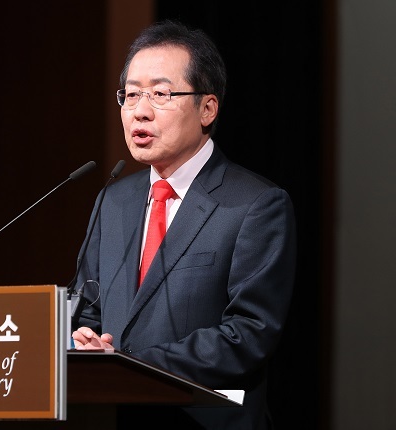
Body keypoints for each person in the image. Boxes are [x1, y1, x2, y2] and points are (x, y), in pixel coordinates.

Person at [70, 20, 297, 430]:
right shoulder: (114, 199)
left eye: (160, 94)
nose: (140, 109)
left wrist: (129, 364)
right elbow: (88, 308)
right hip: (116, 415)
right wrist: (82, 340)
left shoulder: (255, 204)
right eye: (131, 94)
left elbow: (248, 334)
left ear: (207, 108)